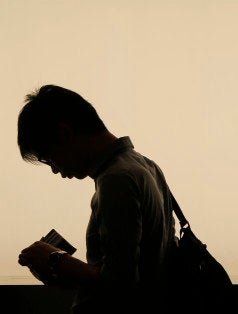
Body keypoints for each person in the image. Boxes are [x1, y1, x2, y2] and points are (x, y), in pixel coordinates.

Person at [16, 85, 177, 314]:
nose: (54, 170)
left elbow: (121, 287)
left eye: (48, 158)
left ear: (64, 134)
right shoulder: (145, 166)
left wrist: (54, 259)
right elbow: (137, 272)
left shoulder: (117, 180)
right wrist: (60, 269)